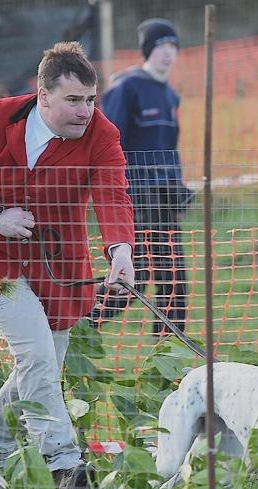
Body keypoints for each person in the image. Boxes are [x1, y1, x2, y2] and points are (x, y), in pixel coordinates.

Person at [0, 41, 135, 489]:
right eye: (74, 100)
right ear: (43, 96)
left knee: (38, 369)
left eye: (91, 99)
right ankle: (65, 464)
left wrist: (120, 250)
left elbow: (113, 195)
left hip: (59, 268)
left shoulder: (103, 135)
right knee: (37, 358)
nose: (86, 111)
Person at [87, 18, 193, 337]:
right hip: (135, 196)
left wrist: (178, 184)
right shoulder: (126, 88)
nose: (168, 53)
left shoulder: (169, 95)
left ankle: (167, 360)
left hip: (164, 196)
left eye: (173, 46)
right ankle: (75, 324)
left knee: (174, 280)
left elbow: (167, 148)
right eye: (161, 45)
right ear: (148, 50)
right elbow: (108, 142)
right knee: (137, 276)